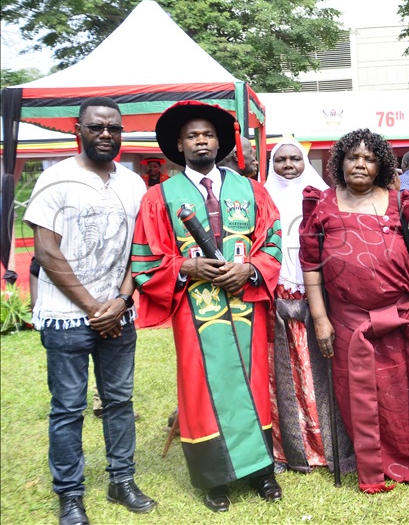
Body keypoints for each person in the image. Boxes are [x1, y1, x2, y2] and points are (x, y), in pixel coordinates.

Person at [131, 100, 283, 512]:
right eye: (193, 135)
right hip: (194, 312)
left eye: (209, 134)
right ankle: (213, 479)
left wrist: (250, 269)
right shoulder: (159, 197)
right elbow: (146, 260)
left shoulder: (251, 190)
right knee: (200, 390)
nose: (202, 140)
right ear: (179, 145)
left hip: (245, 306)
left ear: (221, 142)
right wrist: (187, 266)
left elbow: (272, 242)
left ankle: (261, 473)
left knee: (252, 386)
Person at [301, 128, 409, 495]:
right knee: (359, 392)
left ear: (380, 165)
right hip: (347, 321)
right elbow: (310, 263)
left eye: (369, 159)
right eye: (353, 157)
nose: (360, 164)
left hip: (401, 316)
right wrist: (321, 319)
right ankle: (374, 464)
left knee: (407, 391)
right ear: (340, 162)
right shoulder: (321, 204)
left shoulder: (399, 202)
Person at [24, 97, 156, 525]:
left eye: (114, 128)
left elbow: (140, 250)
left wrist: (120, 302)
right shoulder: (55, 179)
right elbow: (46, 250)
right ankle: (71, 494)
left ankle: (122, 480)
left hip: (117, 313)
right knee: (67, 407)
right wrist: (93, 307)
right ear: (76, 129)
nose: (106, 134)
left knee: (119, 401)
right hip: (66, 317)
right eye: (97, 127)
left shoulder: (133, 184)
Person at [263, 138, 354, 475]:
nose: (288, 165)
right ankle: (288, 450)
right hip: (277, 296)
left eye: (295, 159)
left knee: (321, 369)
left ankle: (329, 447)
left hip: (318, 297)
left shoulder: (322, 197)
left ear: (306, 162)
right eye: (281, 160)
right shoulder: (263, 197)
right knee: (282, 373)